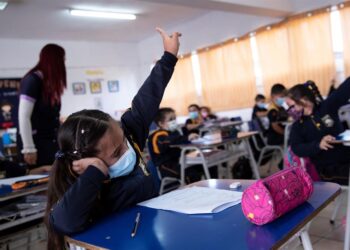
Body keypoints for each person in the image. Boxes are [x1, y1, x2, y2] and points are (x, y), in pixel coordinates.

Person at [45, 27, 181, 249]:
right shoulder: (86, 185)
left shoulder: (128, 136)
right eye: (117, 153)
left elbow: (146, 100)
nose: (129, 152)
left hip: (149, 234)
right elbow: (63, 223)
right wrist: (95, 172)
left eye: (124, 143)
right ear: (83, 164)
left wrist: (168, 58)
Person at [287, 79, 350, 185]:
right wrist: (318, 145)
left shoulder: (326, 107)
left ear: (303, 100)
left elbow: (343, 91)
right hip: (328, 169)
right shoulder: (298, 126)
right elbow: (296, 148)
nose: (290, 110)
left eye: (292, 106)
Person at [17, 44, 66, 171]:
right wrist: (29, 148)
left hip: (50, 142)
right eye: (63, 59)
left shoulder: (49, 84)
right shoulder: (32, 80)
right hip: (36, 144)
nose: (64, 63)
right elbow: (23, 116)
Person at [148, 107, 202, 183]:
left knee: (201, 165)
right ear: (161, 123)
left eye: (174, 118)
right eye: (170, 120)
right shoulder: (157, 135)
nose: (174, 121)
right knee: (191, 174)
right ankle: (194, 192)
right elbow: (169, 141)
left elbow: (179, 139)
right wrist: (187, 138)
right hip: (166, 166)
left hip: (179, 161)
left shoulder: (174, 132)